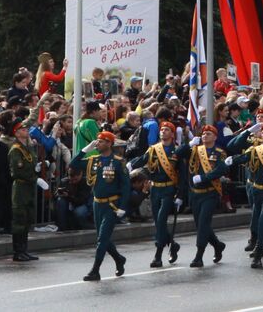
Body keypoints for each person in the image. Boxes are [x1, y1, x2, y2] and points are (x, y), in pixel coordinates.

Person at [224, 118, 263, 268]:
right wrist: (231, 160)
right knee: (261, 221)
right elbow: (243, 157)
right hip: (257, 191)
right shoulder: (255, 150)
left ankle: (258, 255)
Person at [70, 129, 131, 281]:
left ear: (109, 144)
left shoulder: (118, 161)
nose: (98, 143)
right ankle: (118, 259)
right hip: (98, 204)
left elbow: (125, 186)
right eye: (97, 141)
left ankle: (95, 270)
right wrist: (85, 150)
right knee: (101, 237)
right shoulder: (94, 160)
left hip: (112, 204)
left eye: (101, 141)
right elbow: (73, 164)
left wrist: (123, 206)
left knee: (102, 238)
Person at [131, 119, 185, 267]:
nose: (163, 132)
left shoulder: (177, 150)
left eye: (167, 130)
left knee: (161, 220)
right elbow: (142, 160)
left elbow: (183, 175)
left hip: (169, 189)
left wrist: (180, 195)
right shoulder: (154, 149)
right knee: (158, 222)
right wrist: (129, 165)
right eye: (161, 130)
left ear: (172, 134)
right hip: (155, 189)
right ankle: (172, 245)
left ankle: (158, 255)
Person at [181, 124, 228, 267]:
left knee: (203, 224)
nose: (204, 136)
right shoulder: (195, 150)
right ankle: (217, 245)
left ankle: (199, 256)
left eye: (208, 134)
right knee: (201, 225)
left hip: (210, 193)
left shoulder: (219, 152)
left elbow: (222, 169)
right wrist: (188, 144)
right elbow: (177, 154)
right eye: (203, 134)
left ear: (214, 137)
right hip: (195, 194)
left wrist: (204, 177)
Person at [8, 121, 45, 262]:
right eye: (23, 129)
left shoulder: (28, 147)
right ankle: (18, 251)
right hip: (21, 187)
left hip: (29, 187)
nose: (26, 131)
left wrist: (39, 166)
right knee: (19, 218)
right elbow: (17, 171)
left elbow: (30, 163)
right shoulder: (16, 149)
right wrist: (34, 176)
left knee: (28, 218)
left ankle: (24, 250)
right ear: (17, 133)